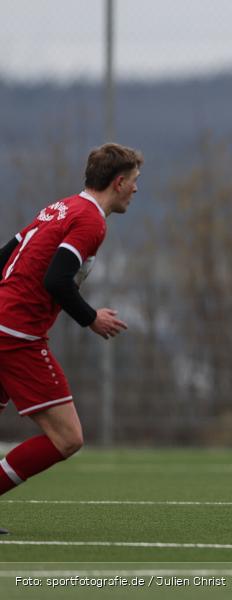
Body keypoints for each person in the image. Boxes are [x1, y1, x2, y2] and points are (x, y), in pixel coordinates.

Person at [0, 143, 140, 534]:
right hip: (17, 335)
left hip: (3, 325)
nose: (135, 190)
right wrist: (91, 318)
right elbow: (56, 279)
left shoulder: (57, 208)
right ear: (118, 181)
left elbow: (3, 256)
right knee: (67, 437)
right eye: (134, 182)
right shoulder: (91, 221)